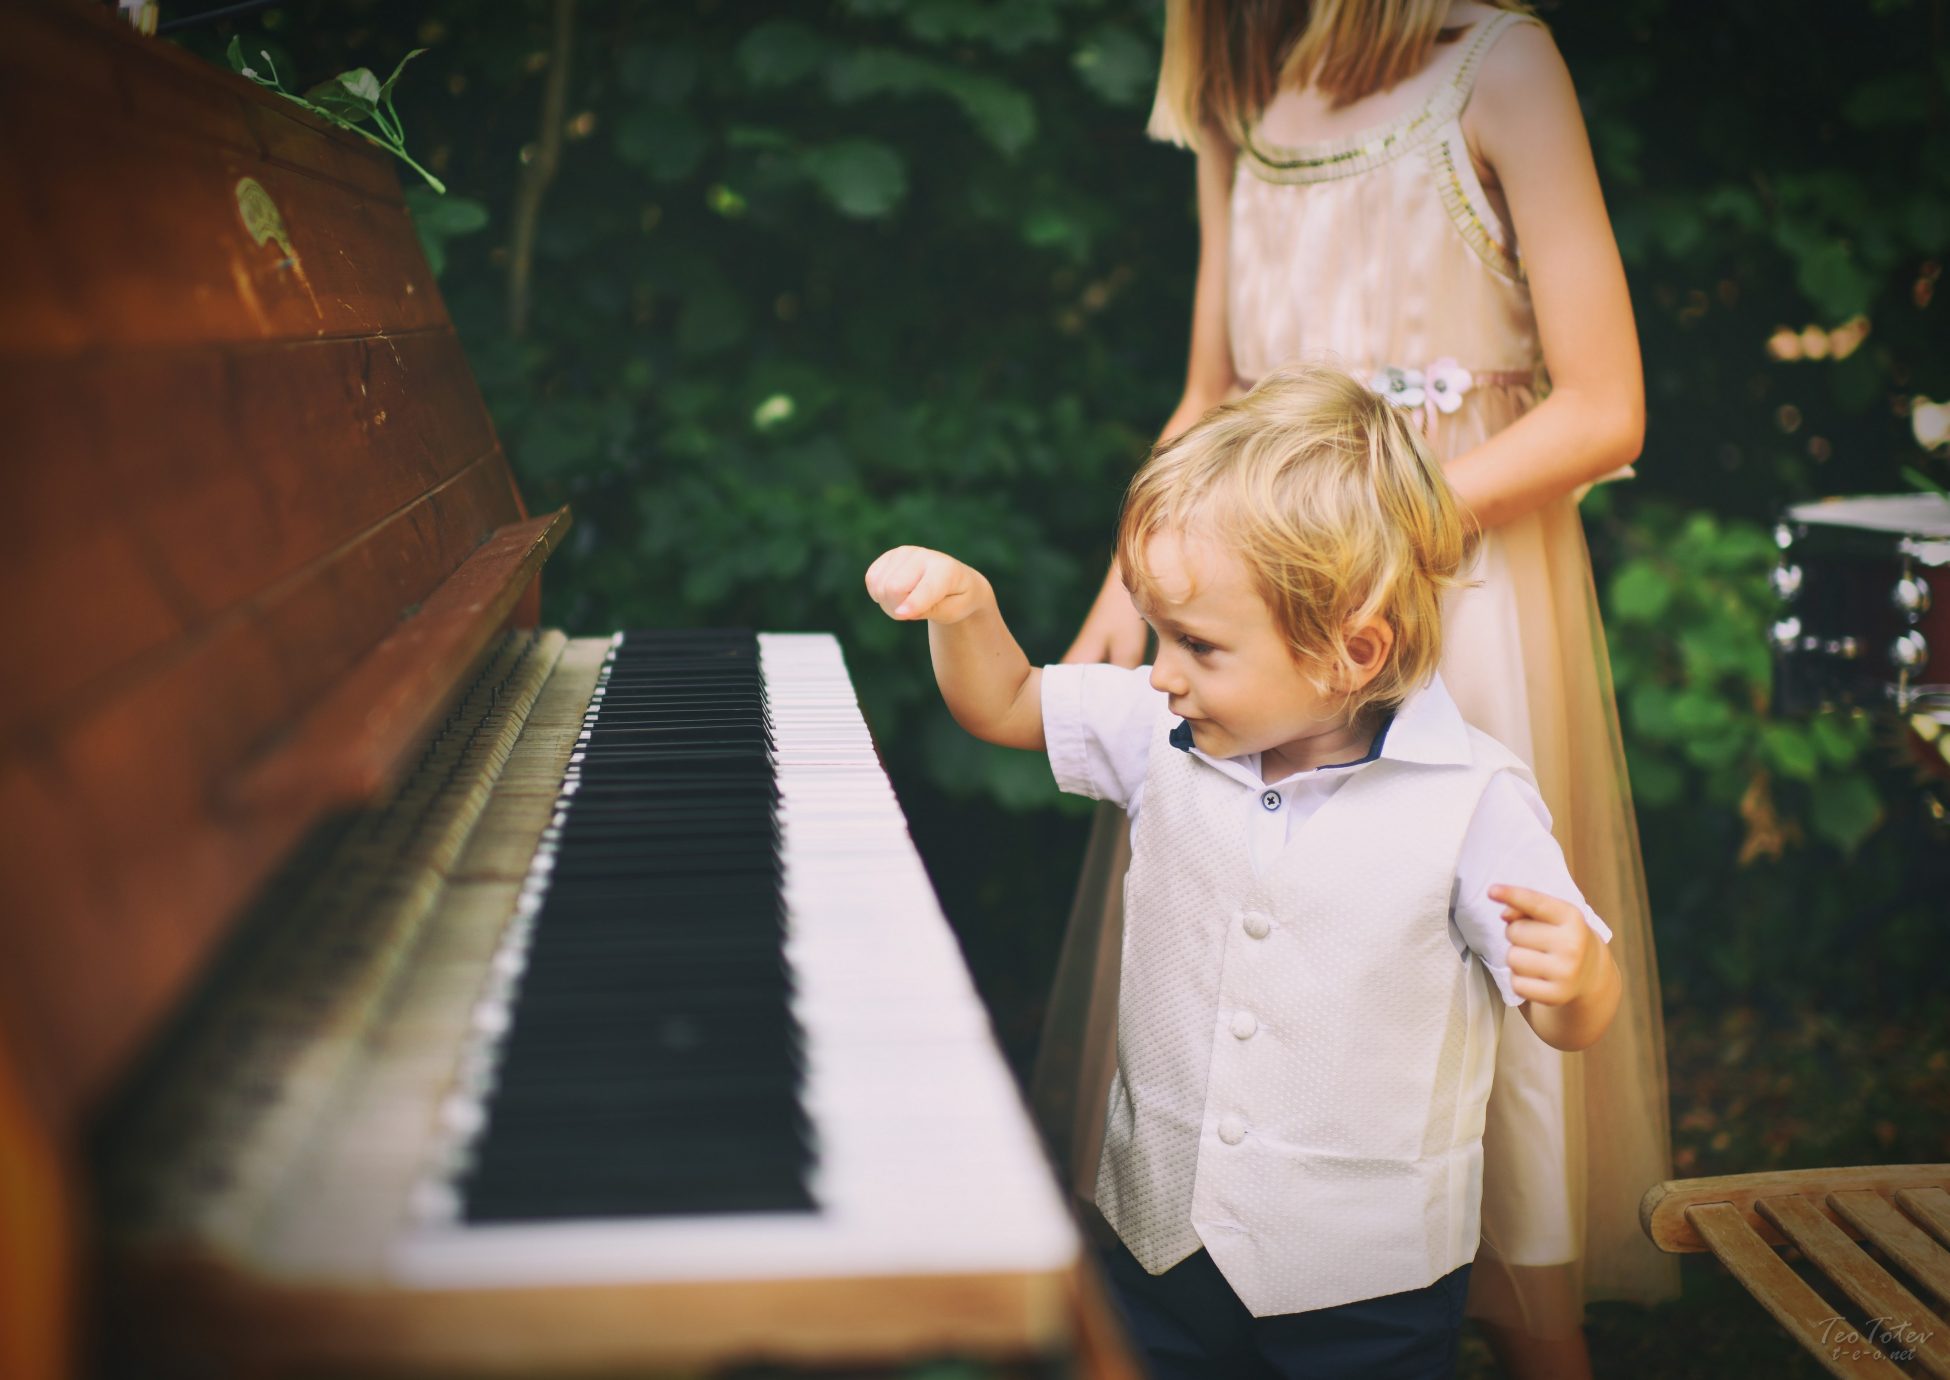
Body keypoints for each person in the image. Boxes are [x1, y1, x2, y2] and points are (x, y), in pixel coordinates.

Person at [1036, 4, 1676, 1374]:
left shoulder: (1496, 64)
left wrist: (1365, 540)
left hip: (1448, 589)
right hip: (1249, 623)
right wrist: (1129, 589)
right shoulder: (1240, 95)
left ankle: (1519, 1327)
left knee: (1453, 940)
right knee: (1272, 963)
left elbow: (1603, 403)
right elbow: (1211, 391)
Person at [866, 365, 1622, 1379]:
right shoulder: (1158, 726)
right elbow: (1006, 704)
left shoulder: (1471, 798)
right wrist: (967, 611)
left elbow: (1570, 1023)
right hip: (1158, 1245)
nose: (1162, 668)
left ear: (1350, 651)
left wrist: (1577, 979)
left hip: (1367, 1289)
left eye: (1199, 645)